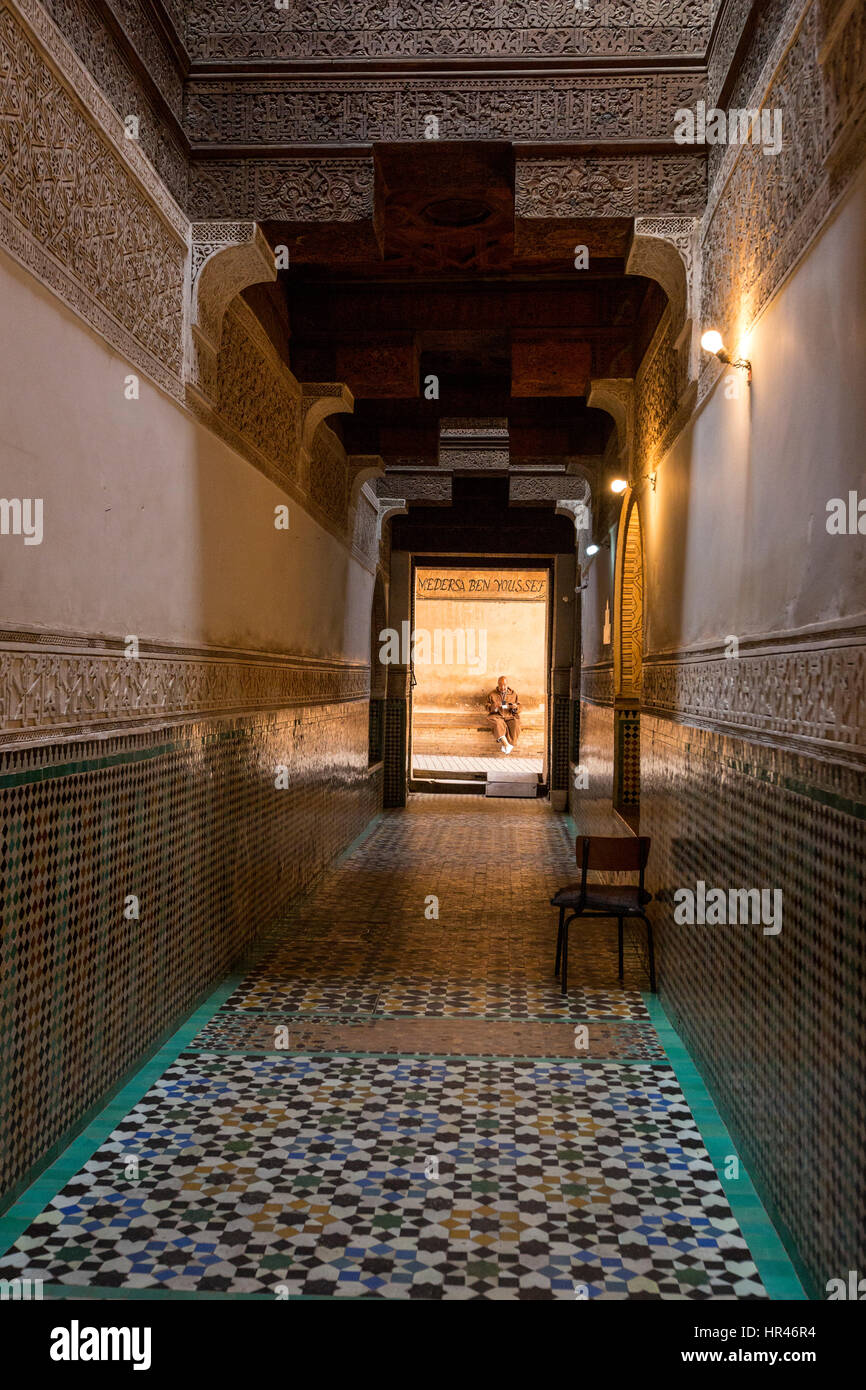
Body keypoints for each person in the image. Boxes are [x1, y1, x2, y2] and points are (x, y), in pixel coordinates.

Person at [486, 676, 522, 754]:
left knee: (516, 725)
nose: (502, 687)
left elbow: (519, 706)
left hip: (509, 715)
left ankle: (508, 745)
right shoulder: (492, 694)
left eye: (504, 685)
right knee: (497, 724)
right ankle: (506, 744)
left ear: (507, 684)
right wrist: (494, 707)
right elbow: (487, 707)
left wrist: (515, 708)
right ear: (498, 684)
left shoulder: (513, 694)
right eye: (500, 685)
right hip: (497, 715)